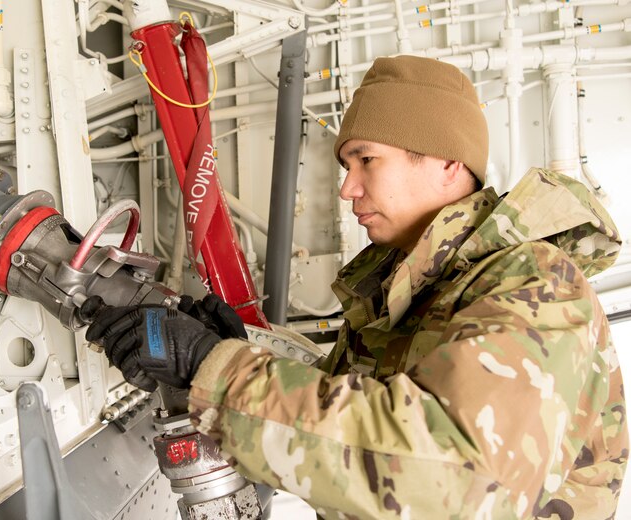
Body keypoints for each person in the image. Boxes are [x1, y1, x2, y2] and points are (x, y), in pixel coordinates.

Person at [84, 56, 627, 518]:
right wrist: (234, 352)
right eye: (347, 164)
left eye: (366, 158)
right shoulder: (418, 291)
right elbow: (361, 422)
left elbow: (457, 478)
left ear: (447, 163)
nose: (348, 188)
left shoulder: (534, 282)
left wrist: (216, 370)